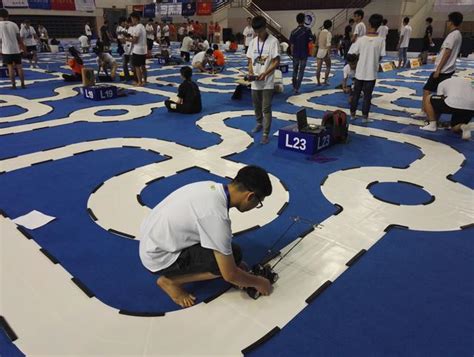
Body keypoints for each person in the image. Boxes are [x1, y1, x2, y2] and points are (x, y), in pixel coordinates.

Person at [139, 165, 273, 308]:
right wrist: (259, 282)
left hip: (152, 241)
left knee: (232, 256)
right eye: (258, 203)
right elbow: (230, 275)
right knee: (232, 257)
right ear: (250, 196)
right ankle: (171, 281)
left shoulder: (210, 187)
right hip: (160, 258)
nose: (256, 206)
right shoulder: (216, 218)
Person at [413, 12, 464, 119]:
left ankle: (428, 114)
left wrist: (438, 69)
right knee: (438, 92)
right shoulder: (458, 34)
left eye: (448, 21)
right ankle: (431, 114)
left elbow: (447, 52)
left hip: (443, 70)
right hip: (448, 68)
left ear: (451, 22)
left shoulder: (452, 35)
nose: (447, 23)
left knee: (428, 90)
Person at [246, 16, 280, 145]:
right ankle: (259, 123)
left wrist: (265, 73)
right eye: (256, 32)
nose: (258, 34)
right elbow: (250, 59)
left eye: (260, 31)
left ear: (265, 28)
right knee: (256, 105)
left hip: (267, 80)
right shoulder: (253, 42)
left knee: (266, 108)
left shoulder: (273, 41)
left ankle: (265, 133)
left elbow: (276, 61)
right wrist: (250, 71)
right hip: (255, 80)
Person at [348, 13, 384, 123]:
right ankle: (364, 117)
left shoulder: (361, 39)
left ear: (369, 23)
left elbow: (351, 54)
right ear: (379, 25)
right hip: (371, 73)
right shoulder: (381, 40)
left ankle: (353, 115)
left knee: (356, 94)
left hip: (359, 72)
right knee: (367, 96)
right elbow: (381, 56)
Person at [0, 9, 26, 89]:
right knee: (19, 67)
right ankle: (22, 84)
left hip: (6, 50)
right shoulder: (14, 24)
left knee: (10, 68)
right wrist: (24, 48)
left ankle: (13, 85)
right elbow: (19, 39)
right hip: (16, 49)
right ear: (8, 15)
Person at [129, 12, 147, 86]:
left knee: (137, 67)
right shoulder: (142, 26)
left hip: (138, 50)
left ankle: (139, 82)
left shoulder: (137, 27)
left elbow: (135, 40)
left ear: (135, 18)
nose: (131, 20)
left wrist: (127, 39)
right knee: (143, 66)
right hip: (143, 49)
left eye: (132, 19)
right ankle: (145, 80)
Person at [316, 19, 332, 86]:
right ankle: (325, 81)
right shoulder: (328, 33)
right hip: (325, 51)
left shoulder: (320, 32)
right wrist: (329, 53)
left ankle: (318, 82)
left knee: (318, 68)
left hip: (319, 51)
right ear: (330, 26)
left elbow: (316, 42)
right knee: (328, 66)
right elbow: (328, 44)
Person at [122, 17, 134, 82]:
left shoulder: (132, 29)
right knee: (124, 65)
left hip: (132, 51)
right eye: (125, 24)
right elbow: (123, 40)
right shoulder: (124, 30)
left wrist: (127, 37)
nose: (126, 25)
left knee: (132, 66)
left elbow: (133, 39)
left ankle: (136, 78)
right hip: (125, 50)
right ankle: (127, 78)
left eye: (127, 24)